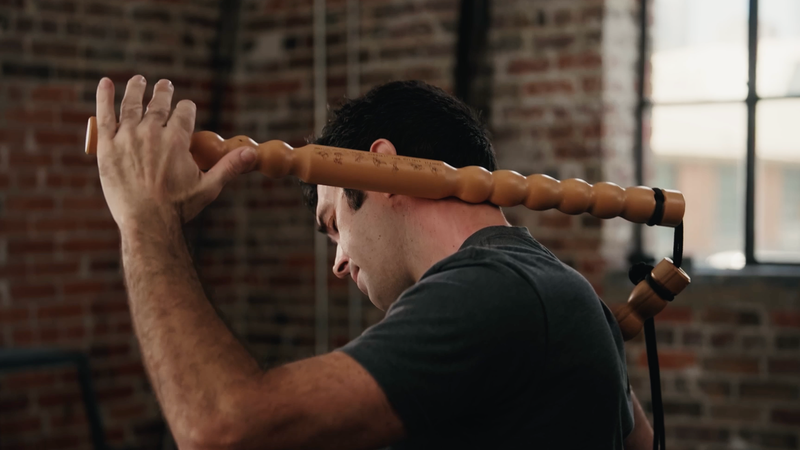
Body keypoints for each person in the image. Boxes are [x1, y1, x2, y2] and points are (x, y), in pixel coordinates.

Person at [94, 75, 653, 450]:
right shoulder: (554, 289)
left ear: (381, 170)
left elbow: (220, 427)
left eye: (335, 225)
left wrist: (146, 222)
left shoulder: (494, 291)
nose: (338, 264)